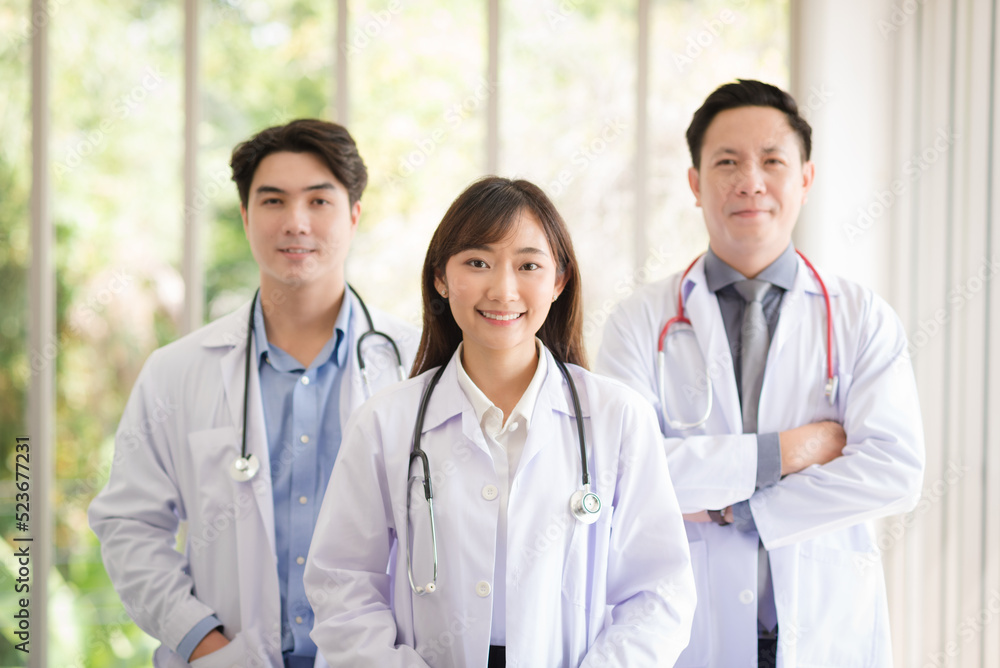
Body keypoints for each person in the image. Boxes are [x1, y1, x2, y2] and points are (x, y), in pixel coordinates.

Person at [596, 80, 925, 667]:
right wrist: (794, 449)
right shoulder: (638, 321)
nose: (750, 181)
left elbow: (893, 469)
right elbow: (627, 474)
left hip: (824, 632)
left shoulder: (860, 317)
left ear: (805, 179)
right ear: (695, 183)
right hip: (686, 635)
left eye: (773, 160)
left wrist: (741, 510)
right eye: (727, 162)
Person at [303, 176, 696, 667]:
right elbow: (342, 584)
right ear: (441, 279)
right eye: (477, 262)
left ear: (558, 281)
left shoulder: (618, 417)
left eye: (528, 265)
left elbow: (659, 593)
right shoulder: (386, 422)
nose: (503, 289)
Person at [89, 119, 419, 667]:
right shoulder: (177, 372)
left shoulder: (417, 366)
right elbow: (129, 525)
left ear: (354, 215)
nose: (296, 222)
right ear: (245, 217)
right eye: (273, 201)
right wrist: (201, 641)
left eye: (319, 201)